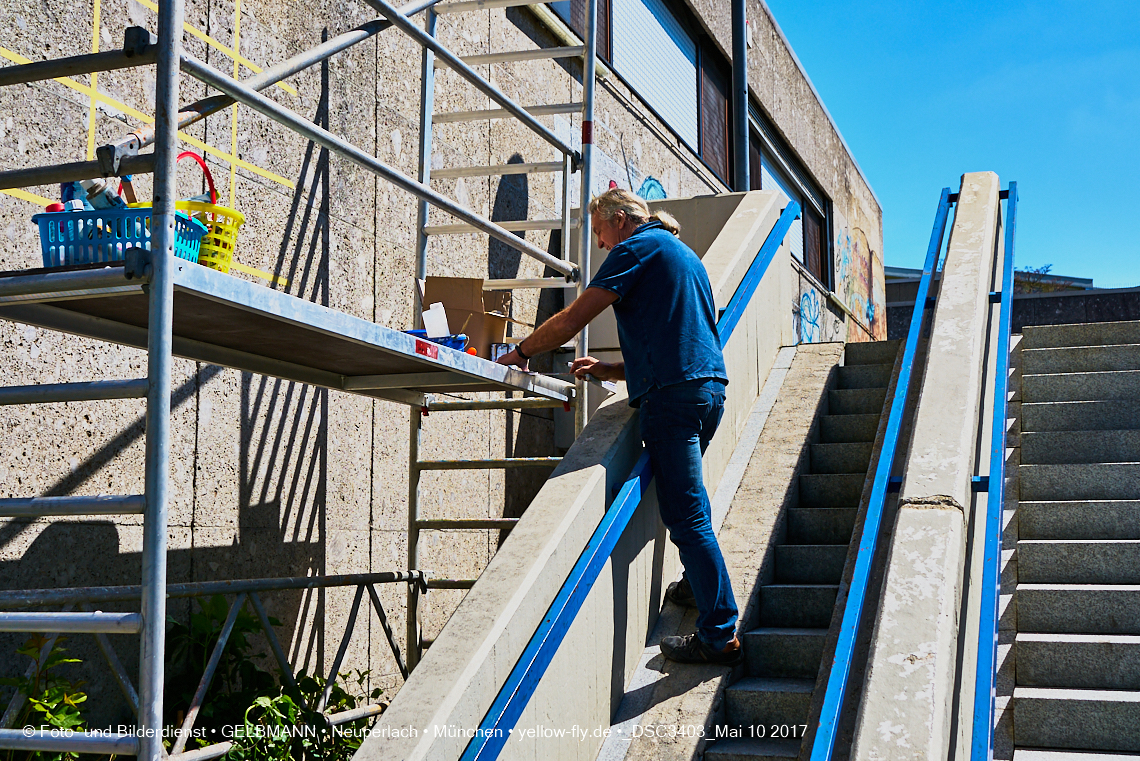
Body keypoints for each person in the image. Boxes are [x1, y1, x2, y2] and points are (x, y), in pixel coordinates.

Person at [496, 188, 740, 665]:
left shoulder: (635, 248)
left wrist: (521, 353)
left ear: (622, 220)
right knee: (690, 503)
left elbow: (572, 317)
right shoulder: (681, 254)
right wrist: (610, 371)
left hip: (672, 402)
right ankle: (698, 587)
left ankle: (719, 634)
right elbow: (680, 342)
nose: (603, 246)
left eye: (602, 233)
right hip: (708, 391)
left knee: (687, 517)